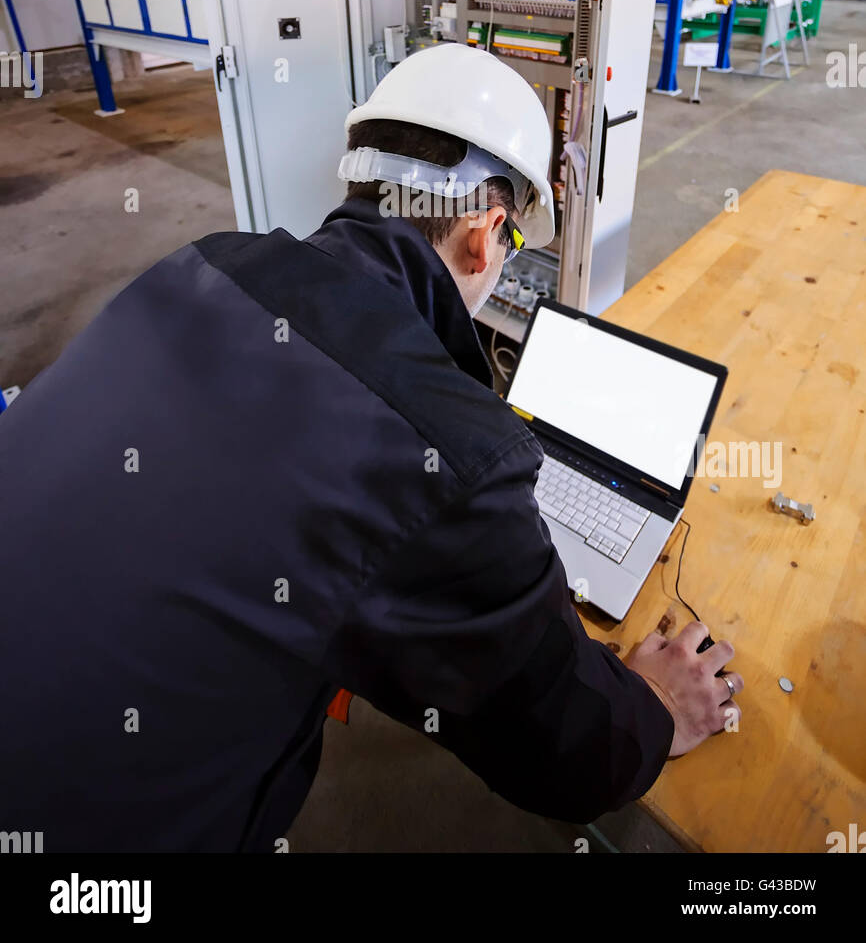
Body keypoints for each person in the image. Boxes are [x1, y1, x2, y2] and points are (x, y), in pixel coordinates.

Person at [0, 43, 741, 852]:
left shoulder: (204, 263)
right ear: (486, 234)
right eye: (514, 243)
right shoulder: (445, 455)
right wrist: (656, 707)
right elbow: (566, 751)